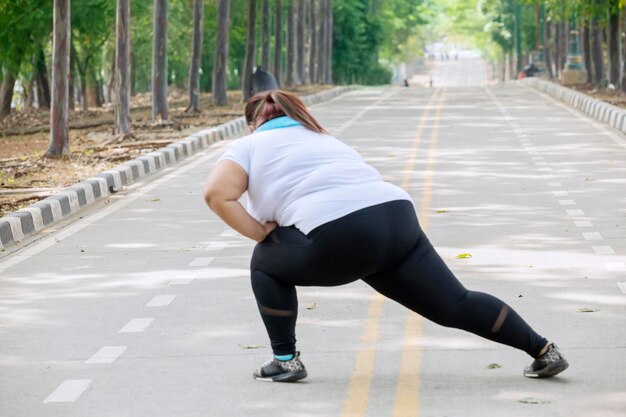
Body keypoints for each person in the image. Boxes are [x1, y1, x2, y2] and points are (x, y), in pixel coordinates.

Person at [203, 90, 569, 383]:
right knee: (454, 303)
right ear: (296, 115)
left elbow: (216, 194)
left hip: (344, 233)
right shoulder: (324, 139)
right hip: (397, 217)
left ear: (253, 124)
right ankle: (543, 350)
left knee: (265, 260)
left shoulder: (248, 146)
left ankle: (285, 360)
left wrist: (259, 232)